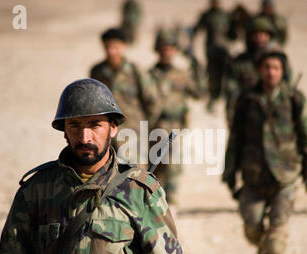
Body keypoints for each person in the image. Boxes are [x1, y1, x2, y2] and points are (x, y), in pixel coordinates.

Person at [0, 78, 200, 254]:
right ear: (64, 131)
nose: (85, 137)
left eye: (94, 125)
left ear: (113, 128)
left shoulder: (140, 192)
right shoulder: (35, 192)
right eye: (75, 126)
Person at [222, 47, 307, 254]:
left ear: (283, 71)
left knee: (278, 232)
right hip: (254, 175)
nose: (271, 72)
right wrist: (229, 171)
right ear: (258, 70)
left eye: (275, 68)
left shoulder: (294, 98)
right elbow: (235, 138)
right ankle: (263, 247)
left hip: (285, 175)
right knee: (252, 225)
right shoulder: (247, 100)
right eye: (266, 67)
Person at [148, 29, 206, 210]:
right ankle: (155, 196)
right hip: (155, 126)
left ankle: (171, 198)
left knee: (173, 161)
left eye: (170, 48)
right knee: (156, 162)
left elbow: (199, 93)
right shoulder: (149, 75)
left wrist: (197, 66)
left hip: (176, 125)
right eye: (163, 49)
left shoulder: (181, 74)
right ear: (157, 50)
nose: (166, 52)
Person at [89, 28, 157, 165]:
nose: (111, 51)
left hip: (132, 134)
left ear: (123, 46)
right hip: (105, 135)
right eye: (107, 47)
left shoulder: (135, 71)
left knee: (134, 176)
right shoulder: (97, 72)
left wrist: (144, 127)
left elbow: (152, 101)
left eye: (115, 47)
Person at [224, 17, 276, 126]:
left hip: (274, 116)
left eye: (263, 35)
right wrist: (231, 116)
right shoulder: (239, 62)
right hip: (247, 116)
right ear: (250, 37)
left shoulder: (278, 61)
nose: (260, 38)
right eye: (256, 35)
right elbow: (231, 91)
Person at [192, 0, 231, 113]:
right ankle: (212, 99)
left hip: (224, 52)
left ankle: (222, 99)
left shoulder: (226, 16)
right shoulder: (206, 15)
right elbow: (197, 29)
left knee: (225, 75)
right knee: (212, 75)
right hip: (211, 52)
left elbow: (233, 34)